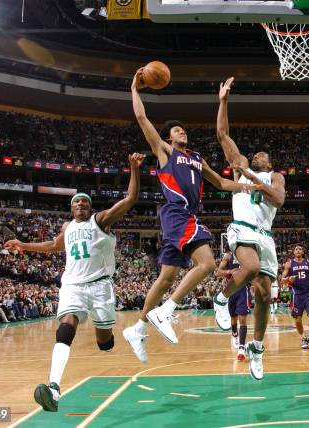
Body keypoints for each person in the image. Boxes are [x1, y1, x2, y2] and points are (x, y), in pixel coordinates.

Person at [122, 70, 254, 363]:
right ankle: (166, 311)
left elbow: (220, 183)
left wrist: (246, 185)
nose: (182, 131)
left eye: (183, 130)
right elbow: (143, 119)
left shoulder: (196, 158)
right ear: (168, 137)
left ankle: (138, 327)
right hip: (177, 213)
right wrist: (134, 88)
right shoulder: (165, 150)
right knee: (206, 263)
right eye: (177, 130)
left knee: (166, 277)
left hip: (184, 217)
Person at [4, 153, 145, 412]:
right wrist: (23, 245)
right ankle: (54, 388)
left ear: (90, 207)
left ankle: (111, 335)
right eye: (76, 201)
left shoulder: (100, 220)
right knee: (66, 327)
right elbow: (52, 246)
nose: (80, 204)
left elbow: (130, 199)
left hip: (100, 286)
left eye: (84, 201)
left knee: (105, 343)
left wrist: (134, 169)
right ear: (71, 208)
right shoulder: (67, 228)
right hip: (73, 286)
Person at [212, 77, 286, 380]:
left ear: (270, 163)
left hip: (265, 235)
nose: (256, 156)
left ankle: (256, 346)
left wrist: (251, 178)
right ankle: (221, 298)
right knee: (251, 267)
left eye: (262, 157)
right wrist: (223, 100)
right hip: (242, 228)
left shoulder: (275, 177)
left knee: (265, 296)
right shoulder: (241, 163)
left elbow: (279, 200)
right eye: (255, 156)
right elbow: (222, 134)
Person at [280, 245, 309, 350]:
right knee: (298, 319)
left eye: (300, 249)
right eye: (296, 249)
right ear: (293, 252)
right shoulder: (289, 264)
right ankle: (304, 339)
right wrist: (289, 279)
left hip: (308, 294)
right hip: (296, 295)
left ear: (303, 252)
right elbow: (282, 280)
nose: (298, 250)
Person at [217, 250, 250, 361]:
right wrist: (230, 271)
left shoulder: (247, 254)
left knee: (243, 319)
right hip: (230, 290)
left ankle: (241, 347)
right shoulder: (228, 256)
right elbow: (218, 272)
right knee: (233, 319)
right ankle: (234, 334)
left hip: (243, 290)